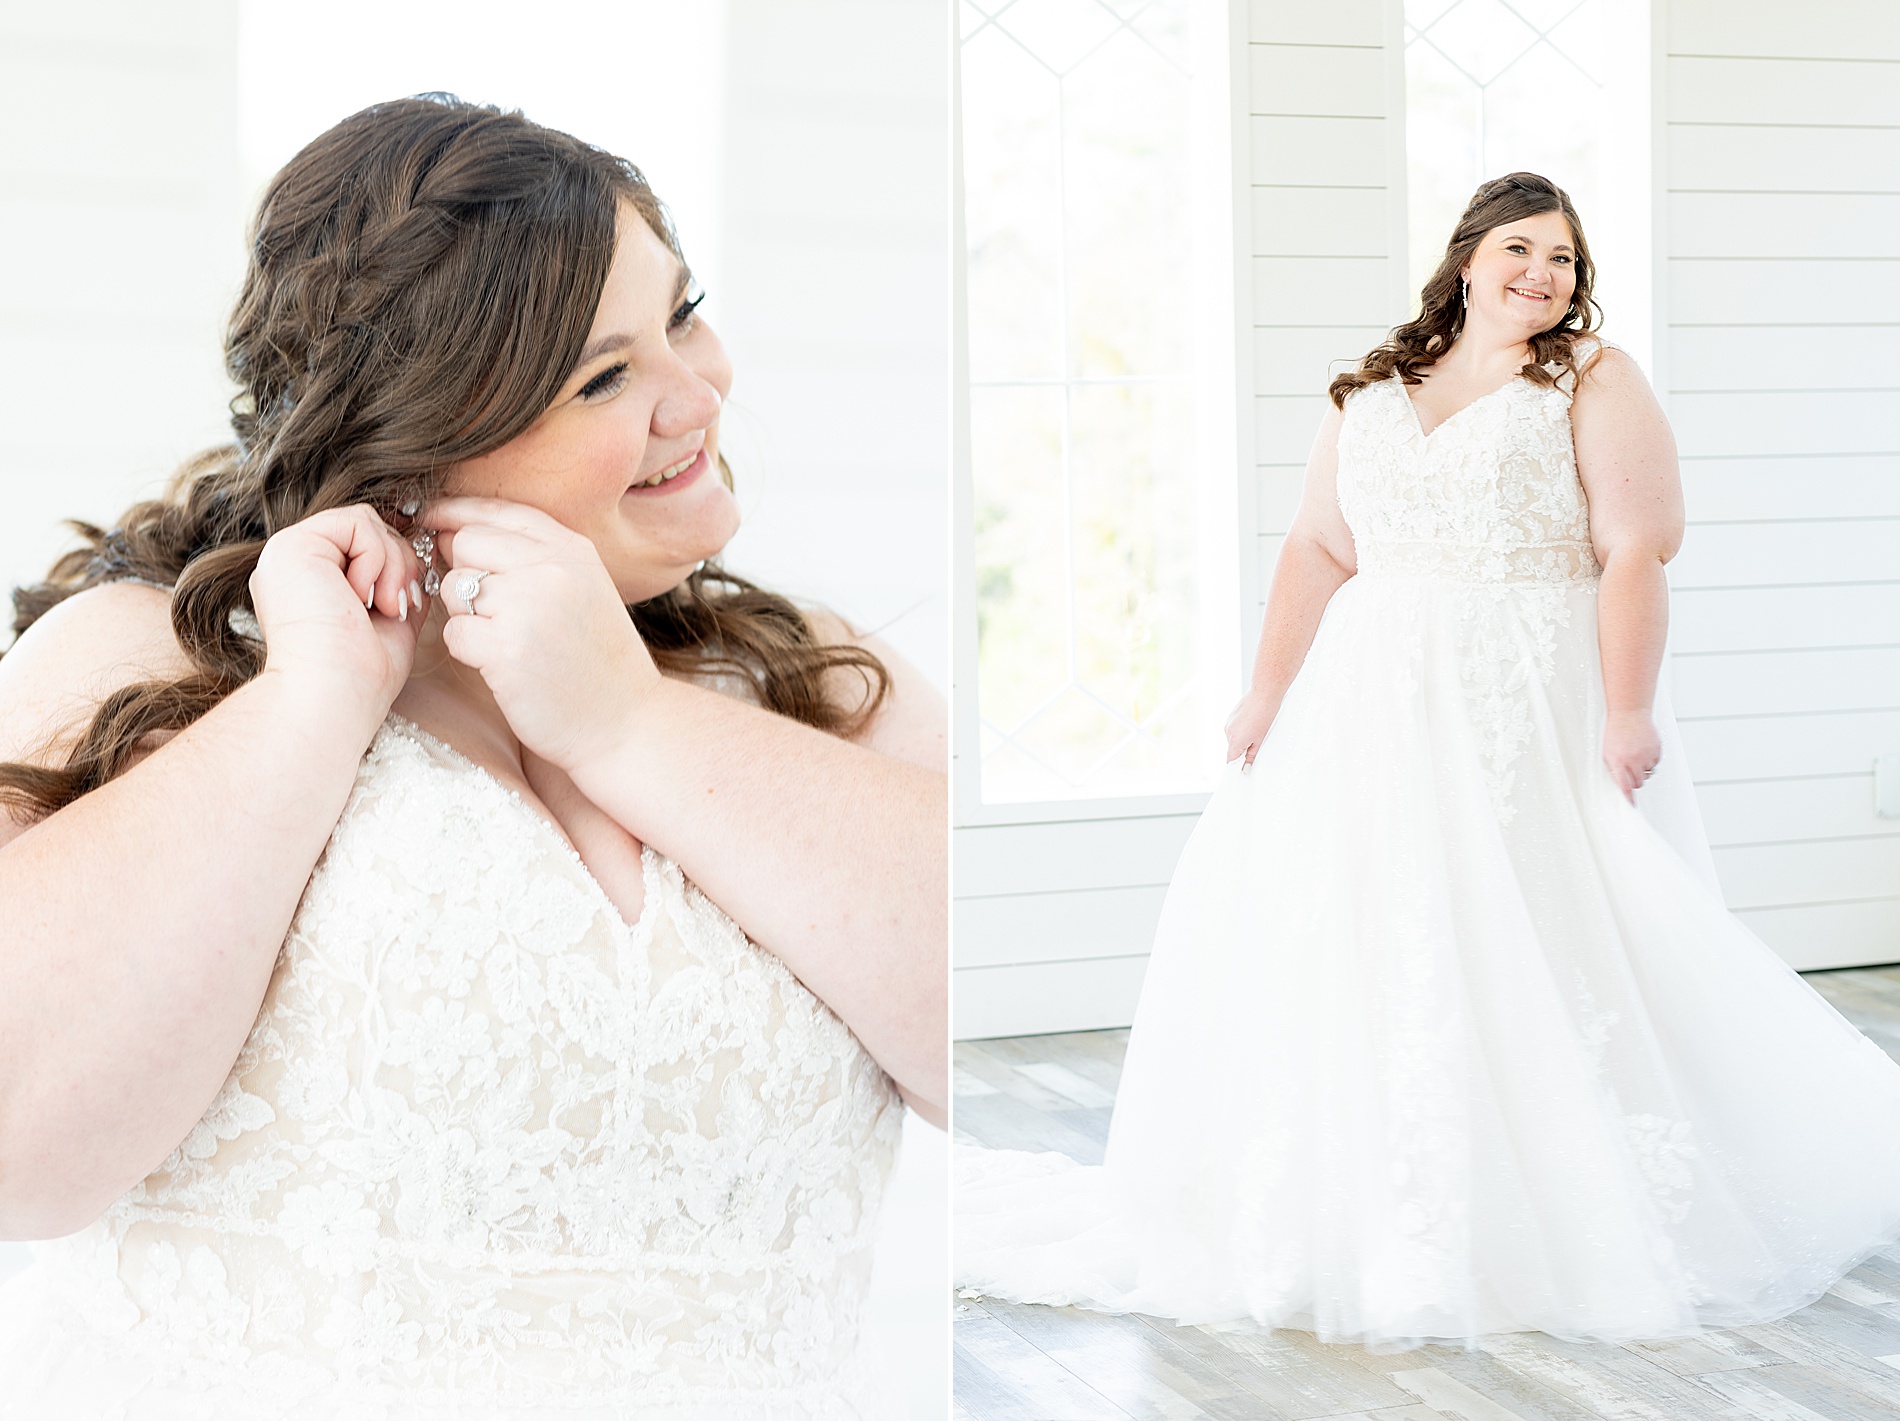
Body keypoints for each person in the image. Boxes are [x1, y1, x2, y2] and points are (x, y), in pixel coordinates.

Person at [0, 96, 946, 1417]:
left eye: (683, 312)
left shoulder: (810, 676)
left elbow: (972, 1038)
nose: (700, 389)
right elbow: (22, 1149)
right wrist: (310, 706)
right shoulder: (145, 657)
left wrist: (630, 720)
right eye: (605, 377)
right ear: (417, 441)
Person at [955, 172, 1900, 1349]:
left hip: (1524, 688)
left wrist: (1626, 709)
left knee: (1530, 926)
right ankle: (1361, 1203)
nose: (1542, 276)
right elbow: (1317, 543)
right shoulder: (1373, 388)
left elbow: (1636, 552)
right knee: (1368, 928)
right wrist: (1263, 692)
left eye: (1563, 258)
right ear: (1465, 258)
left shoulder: (1588, 379)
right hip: (1371, 693)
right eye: (1519, 248)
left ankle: (1562, 1194)